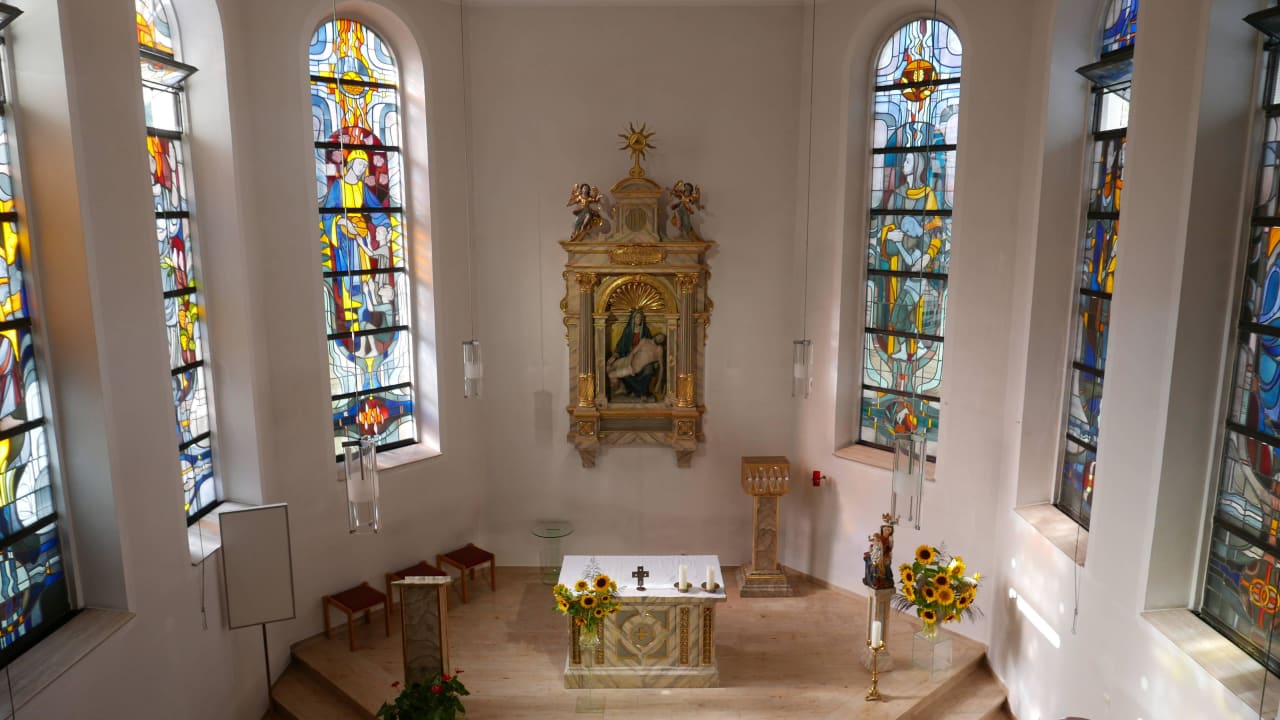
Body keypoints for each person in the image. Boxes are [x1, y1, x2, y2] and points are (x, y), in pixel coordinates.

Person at [608, 309, 665, 401]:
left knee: (648, 369)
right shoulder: (628, 331)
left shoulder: (645, 331)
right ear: (633, 319)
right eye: (637, 317)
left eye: (640, 317)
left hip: (642, 359)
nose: (639, 319)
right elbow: (621, 345)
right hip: (629, 355)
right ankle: (637, 391)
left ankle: (639, 392)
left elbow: (651, 348)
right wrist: (615, 355)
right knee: (621, 371)